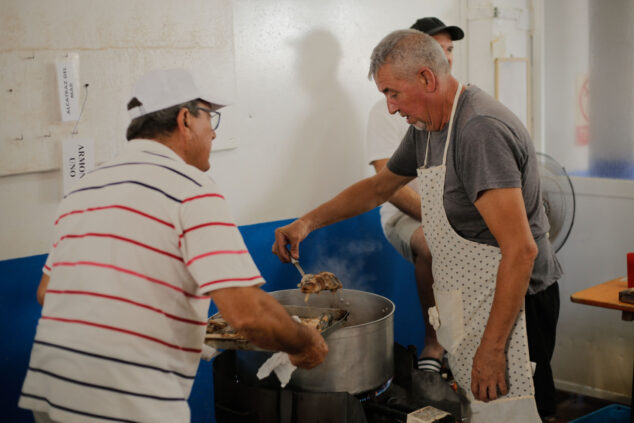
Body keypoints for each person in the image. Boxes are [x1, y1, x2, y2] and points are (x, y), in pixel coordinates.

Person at [273, 30, 561, 422]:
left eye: (393, 93)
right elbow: (378, 188)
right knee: (484, 412)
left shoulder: (479, 130)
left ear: (427, 78)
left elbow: (521, 250)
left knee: (519, 414)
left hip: (516, 307)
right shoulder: (428, 129)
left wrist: (493, 349)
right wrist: (306, 222)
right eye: (385, 95)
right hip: (474, 298)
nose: (390, 108)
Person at [19, 68, 328, 423]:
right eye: (210, 117)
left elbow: (48, 291)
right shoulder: (192, 188)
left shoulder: (86, 188)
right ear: (185, 119)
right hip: (129, 401)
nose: (212, 131)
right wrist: (303, 342)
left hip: (53, 392)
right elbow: (247, 314)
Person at [366, 16, 464, 374]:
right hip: (410, 215)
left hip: (455, 214)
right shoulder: (390, 111)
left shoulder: (467, 110)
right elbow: (385, 183)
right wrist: (443, 221)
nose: (446, 57)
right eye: (438, 49)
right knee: (433, 241)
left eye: (450, 49)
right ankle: (434, 343)